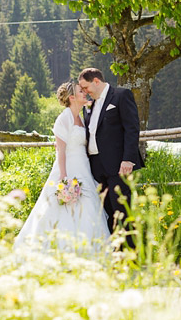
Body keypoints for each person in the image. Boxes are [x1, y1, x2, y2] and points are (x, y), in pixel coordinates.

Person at [13, 81, 110, 254]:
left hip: (84, 169)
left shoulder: (81, 117)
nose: (85, 93)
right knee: (63, 209)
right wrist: (64, 177)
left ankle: (90, 250)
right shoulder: (64, 117)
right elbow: (61, 150)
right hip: (68, 168)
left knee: (88, 206)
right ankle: (61, 251)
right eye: (81, 91)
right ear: (72, 97)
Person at [78, 68, 144, 248]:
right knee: (106, 211)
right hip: (96, 167)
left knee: (122, 209)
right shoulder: (89, 106)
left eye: (85, 87)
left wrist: (128, 159)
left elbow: (132, 128)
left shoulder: (121, 96)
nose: (84, 92)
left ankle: (131, 255)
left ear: (96, 81)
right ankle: (116, 251)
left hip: (118, 164)